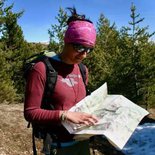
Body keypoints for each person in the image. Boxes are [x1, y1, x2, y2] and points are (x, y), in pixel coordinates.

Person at [24, 7, 98, 155]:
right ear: (66, 41)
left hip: (82, 142)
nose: (83, 55)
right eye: (79, 47)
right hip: (58, 146)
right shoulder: (42, 69)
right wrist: (64, 115)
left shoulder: (83, 70)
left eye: (88, 49)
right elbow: (30, 112)